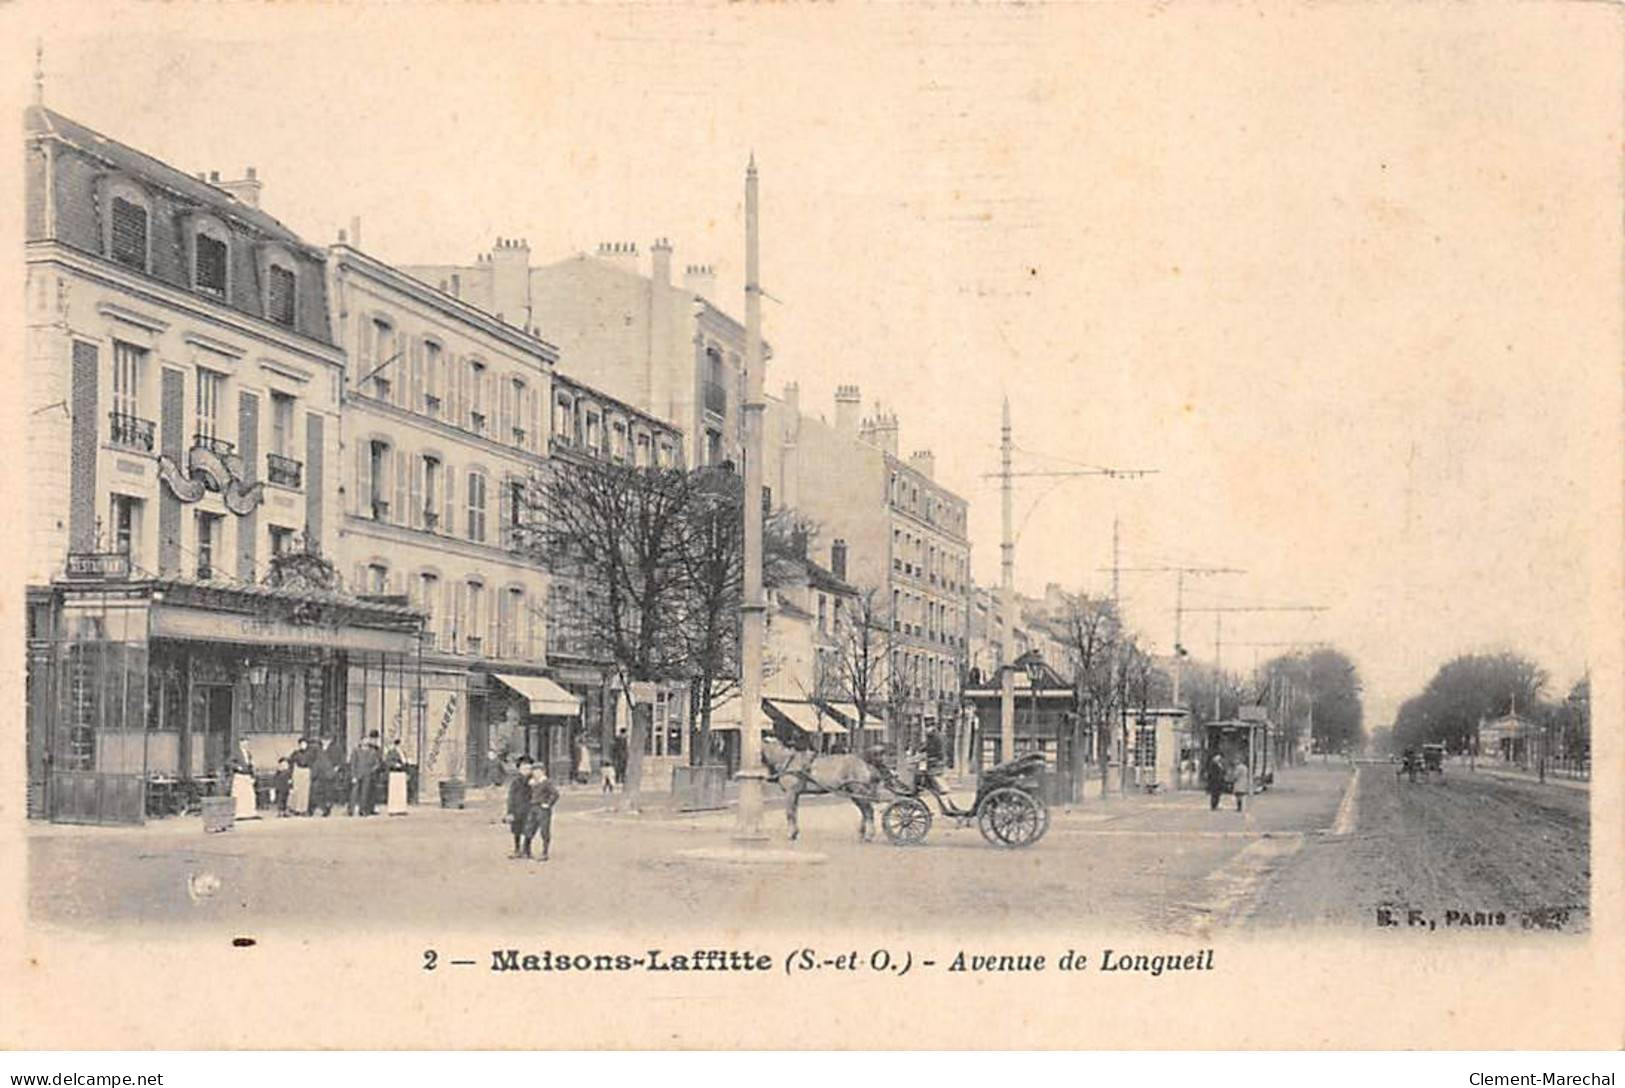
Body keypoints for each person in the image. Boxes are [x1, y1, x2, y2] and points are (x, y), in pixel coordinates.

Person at [525, 763, 561, 862]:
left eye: (538, 771)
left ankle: (545, 852)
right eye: (534, 771)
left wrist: (548, 804)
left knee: (544, 830)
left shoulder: (546, 782)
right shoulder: (532, 783)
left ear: (543, 772)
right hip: (533, 808)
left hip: (542, 809)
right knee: (529, 828)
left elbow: (555, 794)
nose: (536, 773)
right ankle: (526, 851)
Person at [349, 730, 383, 816]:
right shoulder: (356, 750)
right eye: (364, 740)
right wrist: (353, 775)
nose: (366, 742)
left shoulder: (372, 751)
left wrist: (372, 770)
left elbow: (377, 763)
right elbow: (353, 763)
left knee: (365, 792)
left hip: (368, 774)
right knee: (355, 792)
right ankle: (351, 809)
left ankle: (363, 809)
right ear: (361, 741)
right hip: (357, 773)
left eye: (367, 740)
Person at [506, 756, 535, 858]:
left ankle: (527, 849)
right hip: (517, 809)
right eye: (524, 769)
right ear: (519, 769)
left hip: (530, 809)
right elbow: (511, 797)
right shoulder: (515, 782)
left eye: (529, 769)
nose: (526, 771)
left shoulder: (534, 781)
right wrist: (510, 811)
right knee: (517, 830)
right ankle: (517, 849)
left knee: (529, 830)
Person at [312, 736, 341, 817]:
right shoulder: (317, 749)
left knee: (329, 792)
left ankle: (327, 808)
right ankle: (322, 807)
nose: (325, 742)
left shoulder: (335, 749)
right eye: (323, 740)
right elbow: (313, 760)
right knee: (316, 792)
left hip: (329, 773)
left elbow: (340, 760)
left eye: (327, 740)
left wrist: (336, 768)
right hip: (319, 773)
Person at [288, 737, 316, 815]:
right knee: (297, 790)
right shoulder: (296, 753)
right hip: (297, 771)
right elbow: (290, 761)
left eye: (304, 744)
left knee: (305, 791)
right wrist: (291, 774)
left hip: (306, 771)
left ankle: (304, 809)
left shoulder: (310, 753)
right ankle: (297, 808)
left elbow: (313, 762)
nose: (302, 745)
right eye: (301, 744)